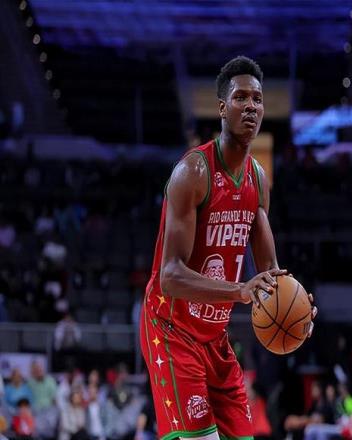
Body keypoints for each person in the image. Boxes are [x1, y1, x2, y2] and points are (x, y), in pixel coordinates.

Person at [139, 55, 317, 440]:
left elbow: (271, 275)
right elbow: (169, 276)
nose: (251, 106)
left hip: (214, 336)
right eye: (241, 98)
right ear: (222, 108)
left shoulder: (258, 179)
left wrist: (296, 307)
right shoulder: (193, 172)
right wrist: (239, 291)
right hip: (171, 328)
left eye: (257, 99)